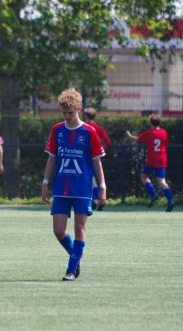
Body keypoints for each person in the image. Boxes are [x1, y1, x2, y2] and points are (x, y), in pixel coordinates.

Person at [42, 88, 106, 281]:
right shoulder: (57, 130)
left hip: (82, 187)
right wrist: (45, 182)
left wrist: (102, 185)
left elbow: (96, 160)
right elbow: (52, 158)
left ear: (79, 109)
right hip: (61, 186)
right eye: (64, 113)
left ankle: (71, 269)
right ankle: (75, 256)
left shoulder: (89, 132)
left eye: (70, 112)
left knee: (79, 227)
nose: (67, 116)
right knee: (58, 230)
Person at [125, 114, 175, 212]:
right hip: (162, 159)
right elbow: (166, 145)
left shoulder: (149, 133)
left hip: (152, 159)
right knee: (162, 181)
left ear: (151, 123)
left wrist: (129, 135)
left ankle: (153, 195)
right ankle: (170, 200)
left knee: (143, 177)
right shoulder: (164, 133)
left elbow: (138, 139)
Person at [83, 107, 111, 211]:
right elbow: (108, 142)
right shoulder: (99, 128)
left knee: (88, 178)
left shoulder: (84, 127)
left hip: (85, 156)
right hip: (96, 157)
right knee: (92, 177)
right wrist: (99, 150)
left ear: (86, 116)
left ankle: (94, 198)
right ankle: (96, 199)